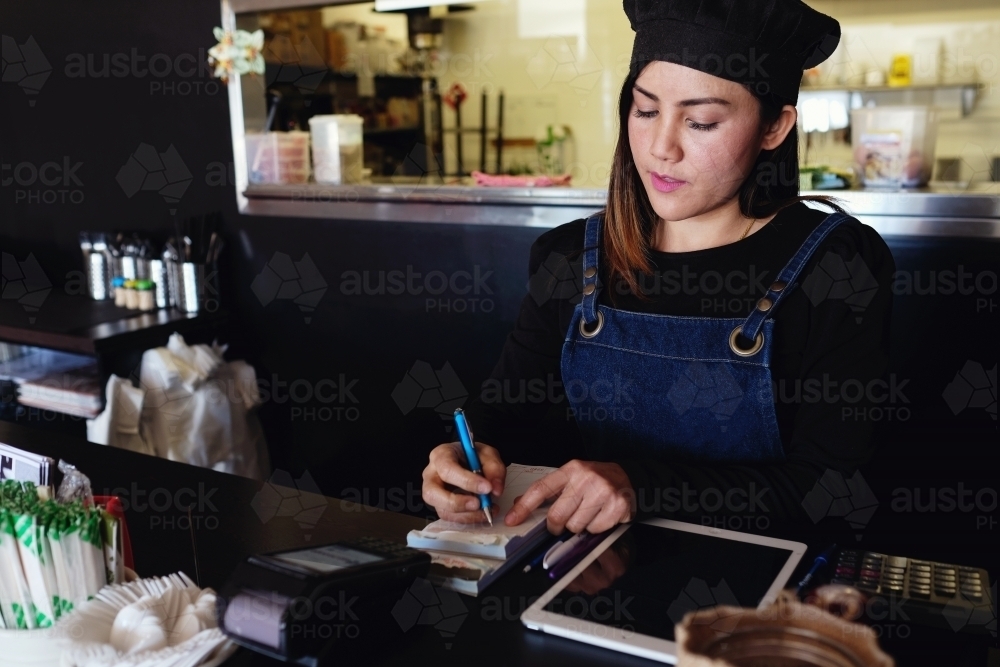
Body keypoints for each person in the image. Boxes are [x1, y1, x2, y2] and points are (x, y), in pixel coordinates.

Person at [422, 0, 894, 536]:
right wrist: (465, 459)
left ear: (774, 127)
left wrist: (641, 485)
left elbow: (836, 492)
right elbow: (502, 417)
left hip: (762, 598)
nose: (660, 149)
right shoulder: (570, 258)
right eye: (645, 111)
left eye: (701, 121)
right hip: (585, 581)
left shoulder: (837, 265)